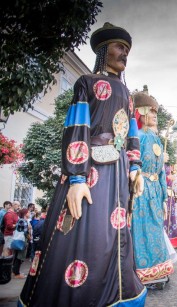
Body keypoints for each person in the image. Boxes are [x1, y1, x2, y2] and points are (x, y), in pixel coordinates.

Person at [19, 23, 147, 306]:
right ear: (103, 50)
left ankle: (118, 294)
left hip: (119, 175)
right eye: (119, 47)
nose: (124, 53)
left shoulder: (127, 94)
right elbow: (77, 128)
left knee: (116, 236)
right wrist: (76, 179)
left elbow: (131, 133)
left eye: (127, 49)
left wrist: (135, 166)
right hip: (92, 172)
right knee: (88, 233)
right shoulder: (86, 83)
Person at [131, 89, 174, 285]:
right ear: (141, 112)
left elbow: (163, 172)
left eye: (156, 114)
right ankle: (141, 271)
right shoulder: (136, 137)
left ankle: (157, 270)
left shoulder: (156, 138)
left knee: (156, 229)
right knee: (141, 230)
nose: (155, 117)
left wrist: (164, 197)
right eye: (152, 112)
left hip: (156, 191)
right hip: (141, 189)